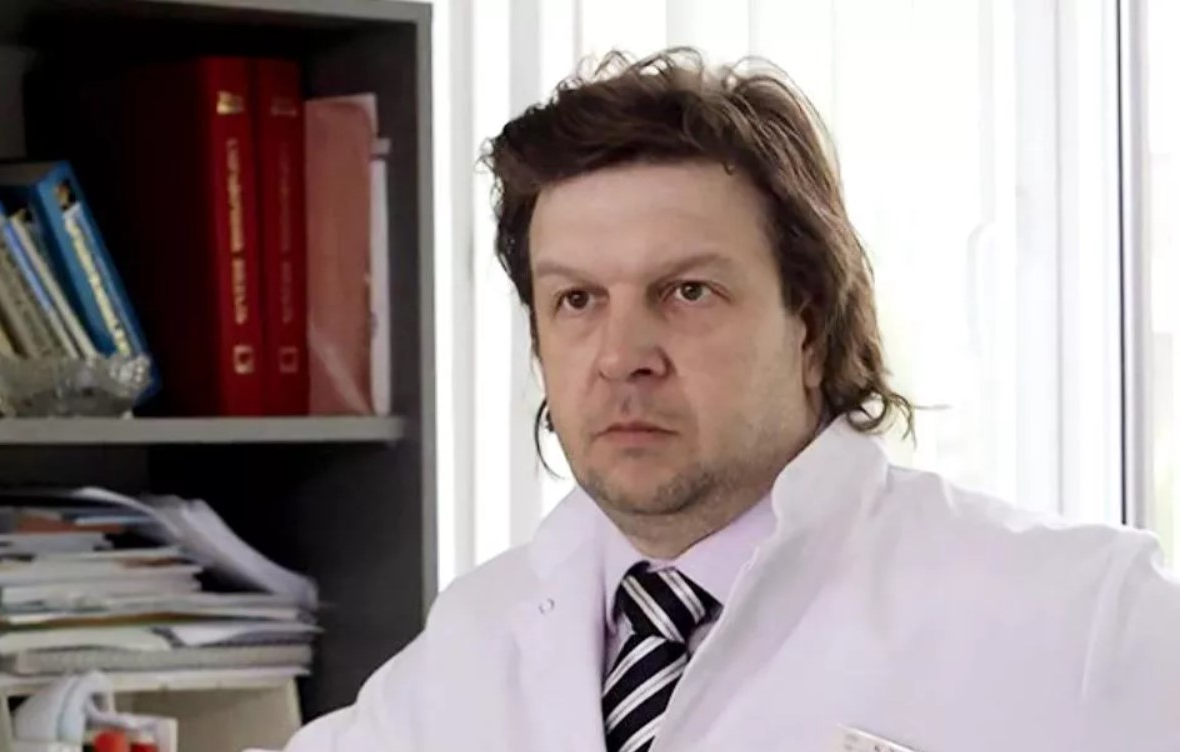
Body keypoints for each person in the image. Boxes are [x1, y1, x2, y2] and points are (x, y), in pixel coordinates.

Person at [280, 48, 1180, 752]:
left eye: (687, 292)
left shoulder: (1086, 615)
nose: (621, 357)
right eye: (577, 300)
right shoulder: (476, 638)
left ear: (809, 327)